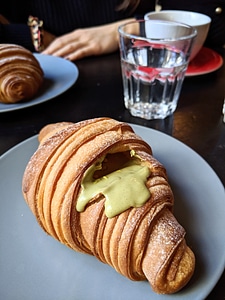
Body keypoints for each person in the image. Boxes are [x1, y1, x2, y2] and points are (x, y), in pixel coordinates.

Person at [0, 0, 224, 61]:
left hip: (137, 77)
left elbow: (214, 19)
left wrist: (134, 27)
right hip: (39, 80)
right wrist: (31, 36)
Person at [0, 0, 155, 60]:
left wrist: (129, 29)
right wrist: (32, 36)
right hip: (41, 71)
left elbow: (176, 14)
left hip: (137, 67)